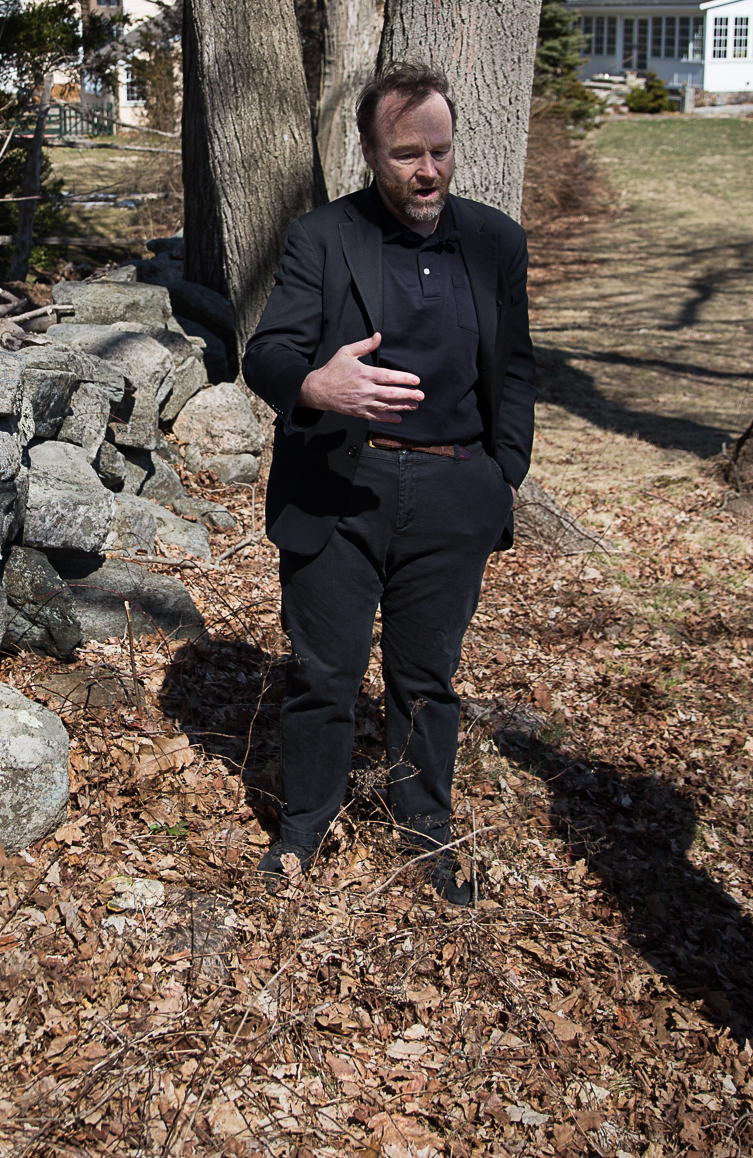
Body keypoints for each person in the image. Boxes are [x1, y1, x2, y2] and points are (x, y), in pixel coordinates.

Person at [240, 63, 537, 905]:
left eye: (440, 152)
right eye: (408, 154)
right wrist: (315, 386)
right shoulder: (323, 237)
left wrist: (501, 474)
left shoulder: (494, 241)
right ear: (369, 151)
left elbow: (515, 370)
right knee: (324, 675)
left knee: (426, 679)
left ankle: (426, 834)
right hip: (342, 486)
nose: (428, 171)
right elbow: (267, 352)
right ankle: (303, 828)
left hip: (455, 491)